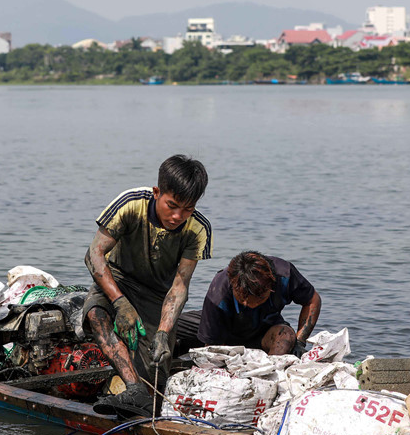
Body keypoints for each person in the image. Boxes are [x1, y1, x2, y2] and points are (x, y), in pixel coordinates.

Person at [83, 154, 211, 418]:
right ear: (156, 193)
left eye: (187, 209)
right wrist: (119, 302)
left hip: (157, 293)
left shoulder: (198, 230)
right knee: (97, 315)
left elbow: (179, 285)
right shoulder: (130, 204)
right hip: (116, 279)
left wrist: (164, 331)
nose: (177, 216)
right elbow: (94, 256)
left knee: (156, 369)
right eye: (172, 205)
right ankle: (132, 389)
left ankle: (143, 394)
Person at [190, 251, 322, 355]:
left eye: (258, 299)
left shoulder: (284, 275)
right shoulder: (219, 291)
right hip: (225, 333)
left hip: (265, 332)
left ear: (270, 287)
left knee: (286, 336)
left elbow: (312, 300)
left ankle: (272, 369)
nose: (249, 304)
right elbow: (212, 346)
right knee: (173, 326)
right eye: (242, 298)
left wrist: (300, 342)